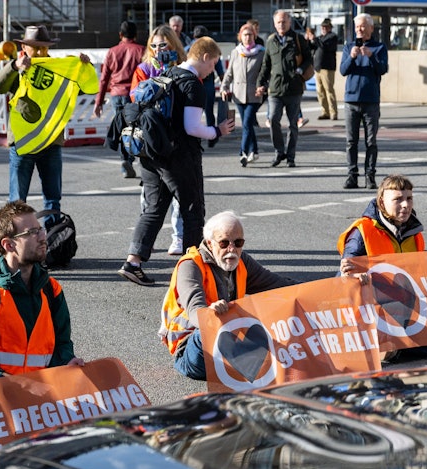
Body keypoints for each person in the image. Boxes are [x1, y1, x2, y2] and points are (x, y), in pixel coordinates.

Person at [121, 37, 235, 288]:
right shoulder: (192, 84)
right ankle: (191, 270)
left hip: (152, 153)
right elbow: (192, 127)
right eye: (214, 63)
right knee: (192, 210)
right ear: (205, 57)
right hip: (179, 156)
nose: (212, 70)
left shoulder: (170, 73)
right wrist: (218, 131)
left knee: (154, 208)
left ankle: (133, 262)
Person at [338, 175, 427, 359]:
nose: (405, 205)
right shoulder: (363, 231)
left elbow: (422, 269)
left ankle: (412, 346)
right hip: (371, 307)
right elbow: (345, 272)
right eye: (397, 199)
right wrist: (352, 276)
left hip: (402, 303)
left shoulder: (413, 233)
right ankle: (393, 350)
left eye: (409, 198)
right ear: (382, 202)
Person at [0, 201, 84, 384]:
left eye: (41, 229)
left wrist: (67, 361)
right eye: (32, 232)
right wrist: (17, 386)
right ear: (9, 245)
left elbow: (61, 345)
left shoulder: (51, 289)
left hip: (36, 396)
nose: (42, 237)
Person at [160, 211, 297, 380]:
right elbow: (195, 311)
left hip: (230, 341)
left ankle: (248, 365)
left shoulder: (241, 261)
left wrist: (330, 287)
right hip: (190, 349)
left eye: (238, 242)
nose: (232, 249)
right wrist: (210, 313)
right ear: (210, 244)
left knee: (274, 315)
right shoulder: (190, 265)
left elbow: (279, 285)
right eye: (224, 243)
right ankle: (248, 365)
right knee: (208, 335)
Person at [0, 26, 96, 214]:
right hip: (23, 142)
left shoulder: (56, 68)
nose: (40, 52)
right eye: (35, 47)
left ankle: (53, 240)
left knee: (53, 199)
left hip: (51, 141)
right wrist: (15, 66)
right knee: (17, 201)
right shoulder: (18, 66)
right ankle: (18, 240)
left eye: (44, 47)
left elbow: (81, 89)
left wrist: (85, 68)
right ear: (24, 47)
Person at [130, 26, 187, 259]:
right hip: (150, 139)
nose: (157, 50)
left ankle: (179, 236)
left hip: (177, 135)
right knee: (150, 195)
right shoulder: (143, 69)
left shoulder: (182, 67)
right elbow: (135, 98)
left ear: (173, 45)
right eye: (153, 45)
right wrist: (158, 81)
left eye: (163, 45)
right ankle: (148, 238)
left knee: (180, 193)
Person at [256, 9, 312, 168]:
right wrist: (260, 83)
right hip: (275, 89)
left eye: (284, 21)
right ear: (275, 23)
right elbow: (266, 64)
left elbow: (308, 58)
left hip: (294, 88)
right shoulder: (271, 40)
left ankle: (291, 156)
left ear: (289, 22)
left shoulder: (298, 39)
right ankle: (279, 152)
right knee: (273, 119)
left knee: (293, 124)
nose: (281, 24)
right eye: (279, 22)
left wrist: (300, 70)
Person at [340, 13, 389, 189]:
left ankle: (370, 176)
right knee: (351, 141)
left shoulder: (379, 47)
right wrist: (352, 57)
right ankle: (352, 176)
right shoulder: (348, 47)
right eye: (357, 27)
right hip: (351, 100)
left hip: (371, 101)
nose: (359, 30)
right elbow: (343, 71)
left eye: (362, 26)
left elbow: (383, 69)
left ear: (371, 28)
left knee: (371, 142)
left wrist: (371, 56)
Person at [94, 20, 144, 180]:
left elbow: (104, 79)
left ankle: (124, 159)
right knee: (136, 128)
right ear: (136, 35)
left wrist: (98, 101)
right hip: (134, 95)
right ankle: (130, 158)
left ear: (120, 35)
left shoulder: (112, 52)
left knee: (121, 128)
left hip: (116, 94)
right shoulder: (141, 51)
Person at [221, 23, 265, 167]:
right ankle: (255, 150)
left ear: (254, 36)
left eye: (250, 35)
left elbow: (266, 74)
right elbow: (229, 73)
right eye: (245, 35)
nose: (247, 38)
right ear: (240, 36)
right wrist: (224, 87)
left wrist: (263, 86)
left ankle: (243, 152)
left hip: (254, 94)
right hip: (239, 94)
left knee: (246, 123)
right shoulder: (236, 52)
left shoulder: (260, 52)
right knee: (248, 126)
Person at [191, 25, 225, 130]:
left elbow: (219, 69)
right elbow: (220, 71)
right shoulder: (190, 49)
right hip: (196, 83)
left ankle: (209, 133)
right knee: (199, 110)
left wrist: (224, 85)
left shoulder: (190, 49)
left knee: (207, 109)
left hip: (205, 82)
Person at [307, 19, 339, 120]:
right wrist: (308, 39)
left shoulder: (332, 37)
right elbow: (312, 47)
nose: (324, 29)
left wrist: (315, 39)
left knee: (329, 90)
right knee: (320, 92)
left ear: (330, 28)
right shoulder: (320, 38)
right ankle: (325, 112)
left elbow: (324, 46)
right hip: (318, 67)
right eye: (322, 27)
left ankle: (333, 112)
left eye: (326, 27)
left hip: (327, 67)